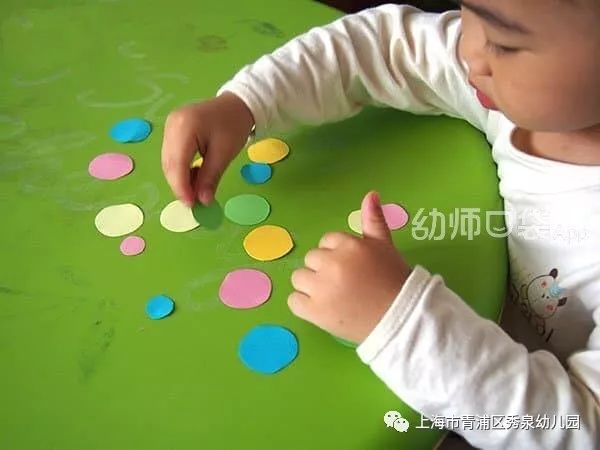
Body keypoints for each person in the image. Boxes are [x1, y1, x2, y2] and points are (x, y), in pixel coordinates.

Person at [160, 1, 600, 448]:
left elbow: (577, 430)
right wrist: (246, 102)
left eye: (504, 43)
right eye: (468, 12)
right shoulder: (519, 91)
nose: (470, 51)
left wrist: (401, 323)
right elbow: (384, 47)